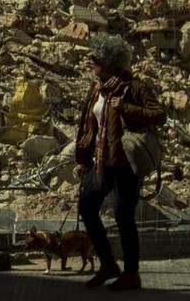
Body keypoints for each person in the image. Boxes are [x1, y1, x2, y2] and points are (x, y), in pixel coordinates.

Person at [74, 32, 165, 291]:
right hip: (102, 161)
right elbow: (88, 126)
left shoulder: (134, 87)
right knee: (88, 206)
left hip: (126, 162)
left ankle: (132, 273)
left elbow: (159, 115)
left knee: (124, 215)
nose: (91, 61)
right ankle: (107, 264)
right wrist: (82, 159)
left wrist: (125, 108)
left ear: (111, 61)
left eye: (96, 58)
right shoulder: (97, 88)